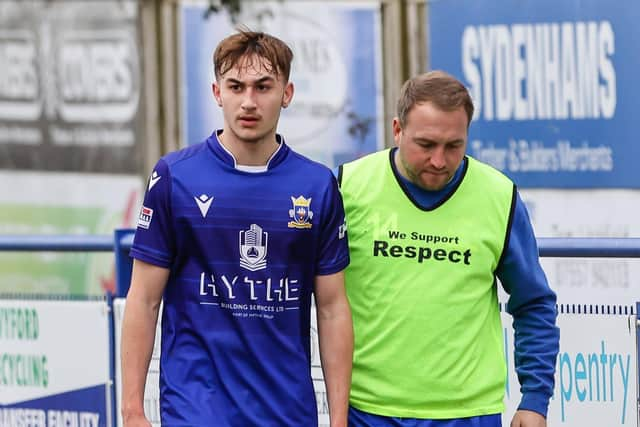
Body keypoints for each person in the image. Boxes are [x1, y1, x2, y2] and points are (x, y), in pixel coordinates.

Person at [120, 30, 353, 427]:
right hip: (196, 409)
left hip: (287, 412)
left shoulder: (316, 186)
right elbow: (143, 299)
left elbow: (332, 309)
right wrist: (132, 409)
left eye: (263, 87)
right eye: (236, 86)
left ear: (287, 92)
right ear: (216, 92)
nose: (249, 101)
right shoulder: (176, 176)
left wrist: (339, 419)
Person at [337, 70, 559, 427]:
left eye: (454, 146)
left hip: (469, 414)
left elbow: (534, 302)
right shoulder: (348, 187)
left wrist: (534, 399)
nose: (439, 160)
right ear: (397, 130)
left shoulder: (499, 196)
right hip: (367, 411)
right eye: (425, 145)